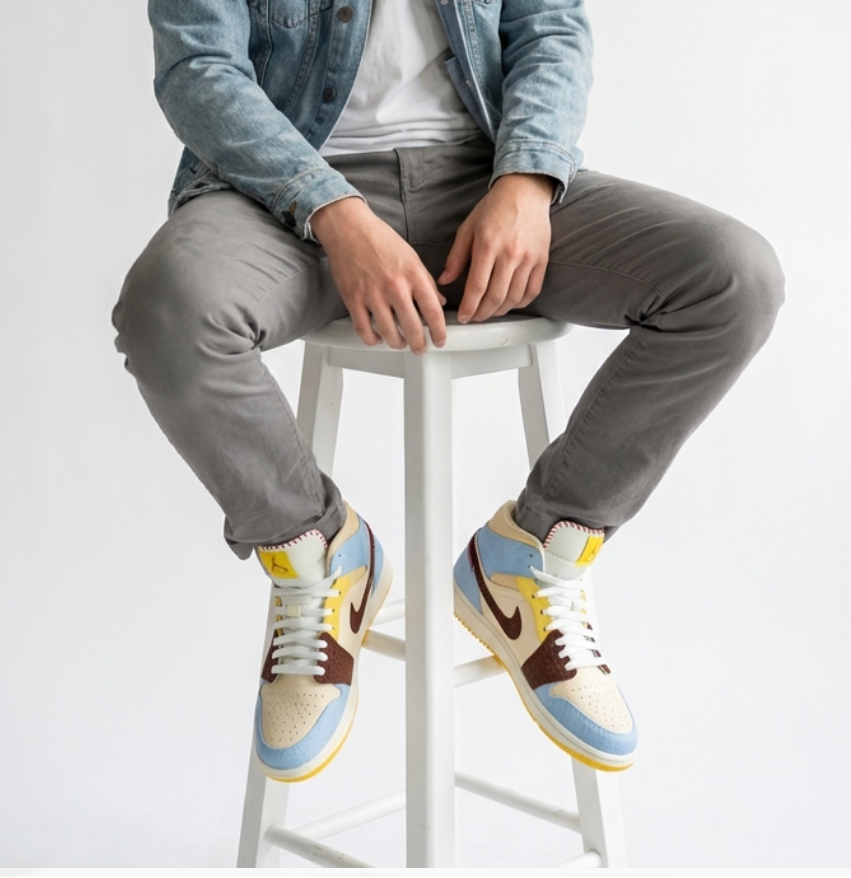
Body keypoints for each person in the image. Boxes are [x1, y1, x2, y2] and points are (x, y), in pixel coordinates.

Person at [113, 0, 784, 783]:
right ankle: (317, 557)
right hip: (282, 195)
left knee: (733, 280)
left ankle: (532, 557)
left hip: (484, 176)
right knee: (169, 312)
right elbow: (198, 69)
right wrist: (333, 211)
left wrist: (528, 179)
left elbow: (549, 24)